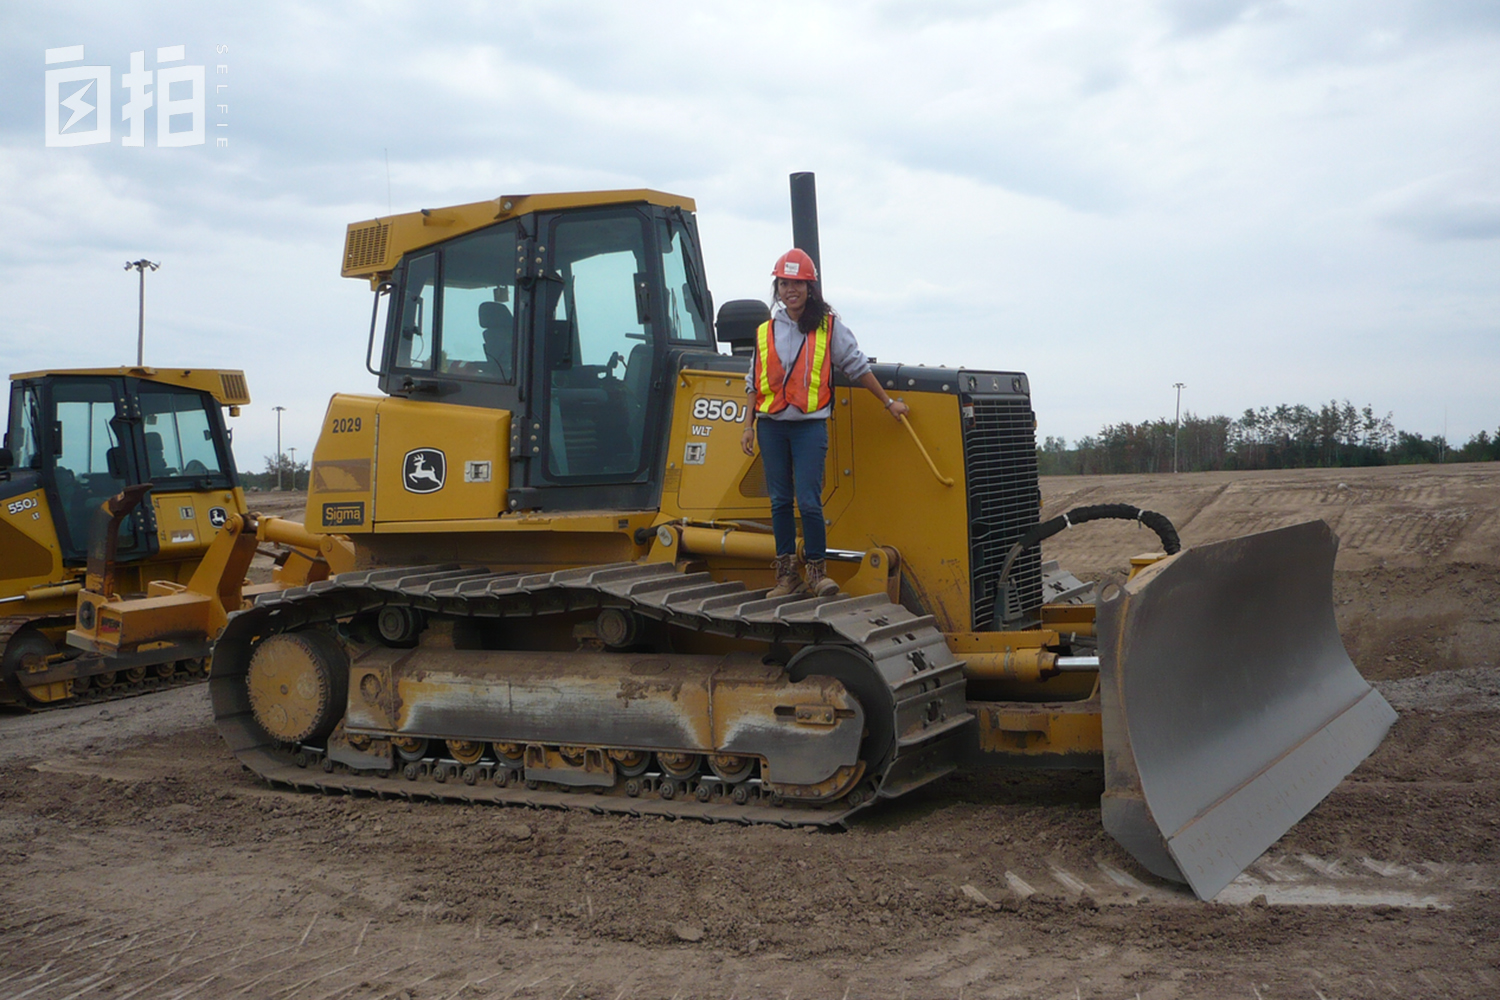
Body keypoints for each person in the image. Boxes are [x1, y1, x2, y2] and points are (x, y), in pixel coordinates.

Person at [739, 249, 910, 597]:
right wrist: (747, 426)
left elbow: (857, 366)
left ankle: (817, 573)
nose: (791, 290)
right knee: (779, 501)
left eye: (797, 284)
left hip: (808, 427)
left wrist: (889, 403)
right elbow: (753, 383)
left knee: (809, 499)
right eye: (785, 283)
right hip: (771, 426)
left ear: (810, 288)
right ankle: (788, 576)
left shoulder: (829, 328)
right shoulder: (764, 332)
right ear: (778, 288)